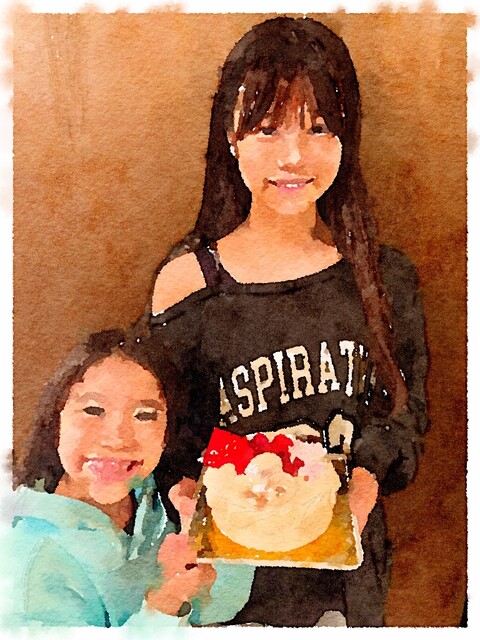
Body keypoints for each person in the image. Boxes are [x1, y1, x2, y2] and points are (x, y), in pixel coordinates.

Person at [145, 16, 428, 627]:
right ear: (231, 136)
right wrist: (187, 497)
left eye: (319, 128)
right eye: (268, 129)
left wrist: (360, 492)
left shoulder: (386, 279)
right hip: (228, 584)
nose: (294, 156)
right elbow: (166, 437)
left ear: (347, 138)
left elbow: (404, 421)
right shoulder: (189, 282)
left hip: (345, 582)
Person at [9, 329, 254, 627]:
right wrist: (165, 603)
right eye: (93, 410)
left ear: (167, 434)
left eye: (145, 415)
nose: (117, 439)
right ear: (55, 421)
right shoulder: (29, 554)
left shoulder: (153, 504)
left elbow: (217, 608)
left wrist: (207, 532)